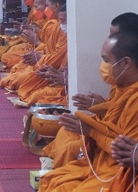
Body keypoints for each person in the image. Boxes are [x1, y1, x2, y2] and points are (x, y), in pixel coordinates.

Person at [38, 31, 138, 192]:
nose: (104, 66)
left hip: (120, 171)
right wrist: (95, 112)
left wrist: (91, 130)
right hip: (104, 159)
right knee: (54, 179)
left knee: (63, 185)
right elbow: (114, 122)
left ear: (126, 62)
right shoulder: (122, 86)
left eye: (106, 60)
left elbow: (124, 152)